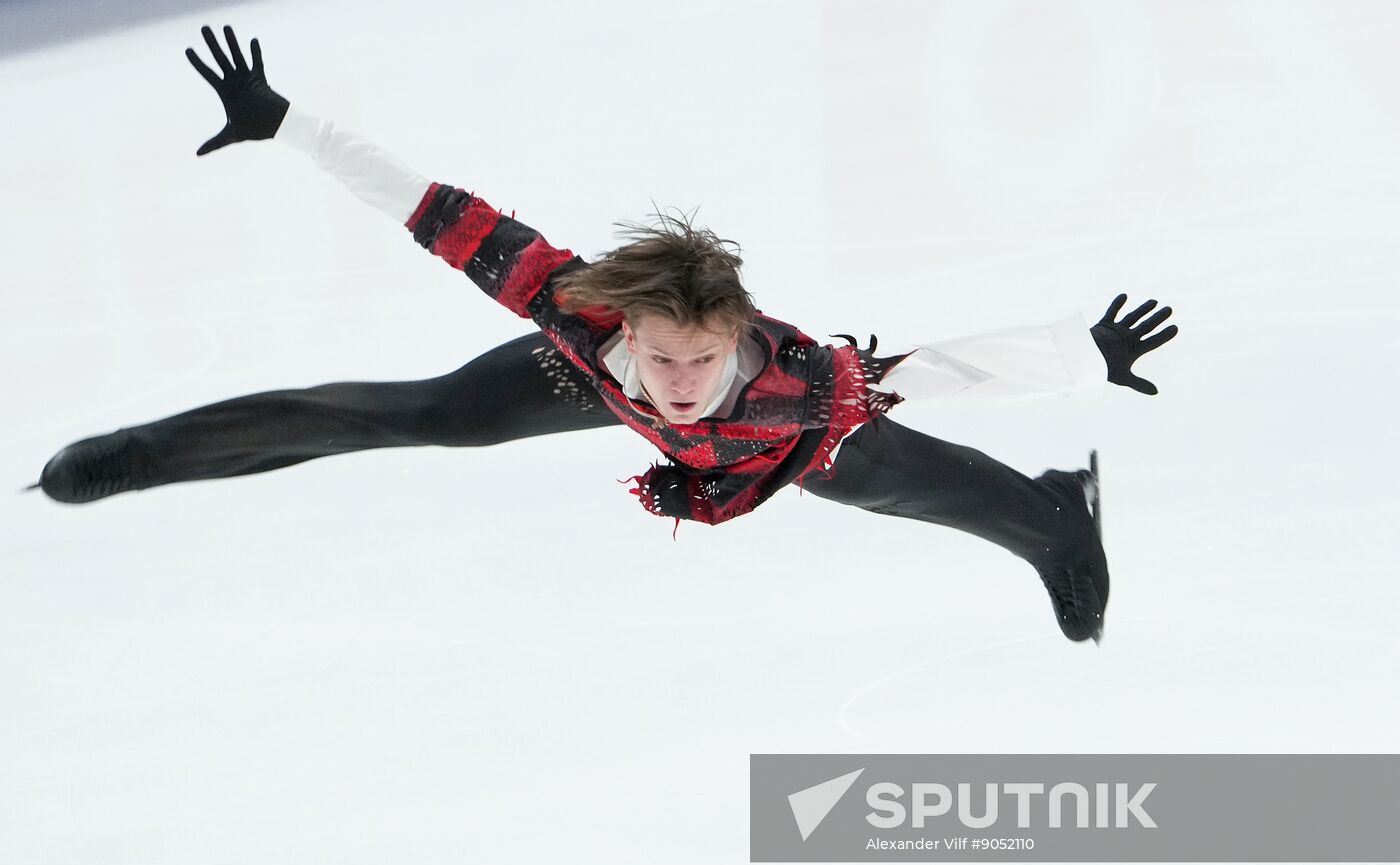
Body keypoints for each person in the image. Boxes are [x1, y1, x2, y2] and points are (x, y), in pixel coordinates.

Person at [35, 26, 1179, 643]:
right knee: (426, 414)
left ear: (733, 337)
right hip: (586, 383)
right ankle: (149, 453)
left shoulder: (800, 391)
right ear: (619, 321)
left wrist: (1081, 354)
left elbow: (934, 370)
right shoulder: (572, 312)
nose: (676, 381)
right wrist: (288, 123)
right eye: (659, 354)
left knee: (904, 490)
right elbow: (430, 208)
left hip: (776, 452)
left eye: (697, 360)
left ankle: (1054, 520)